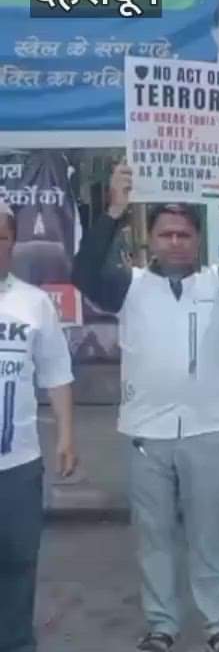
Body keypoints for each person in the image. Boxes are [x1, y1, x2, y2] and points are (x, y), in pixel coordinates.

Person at [71, 164, 219, 652]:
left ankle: (218, 626)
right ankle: (161, 626)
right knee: (155, 538)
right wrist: (114, 211)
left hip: (208, 430)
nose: (175, 242)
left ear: (196, 240)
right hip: (146, 432)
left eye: (184, 234)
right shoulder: (130, 285)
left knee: (209, 536)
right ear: (152, 238)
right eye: (165, 234)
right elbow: (82, 274)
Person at [0, 200, 77, 652]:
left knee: (17, 565)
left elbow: (56, 373)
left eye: (1, 237)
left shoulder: (34, 303)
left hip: (19, 466)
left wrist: (66, 435)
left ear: (12, 243)